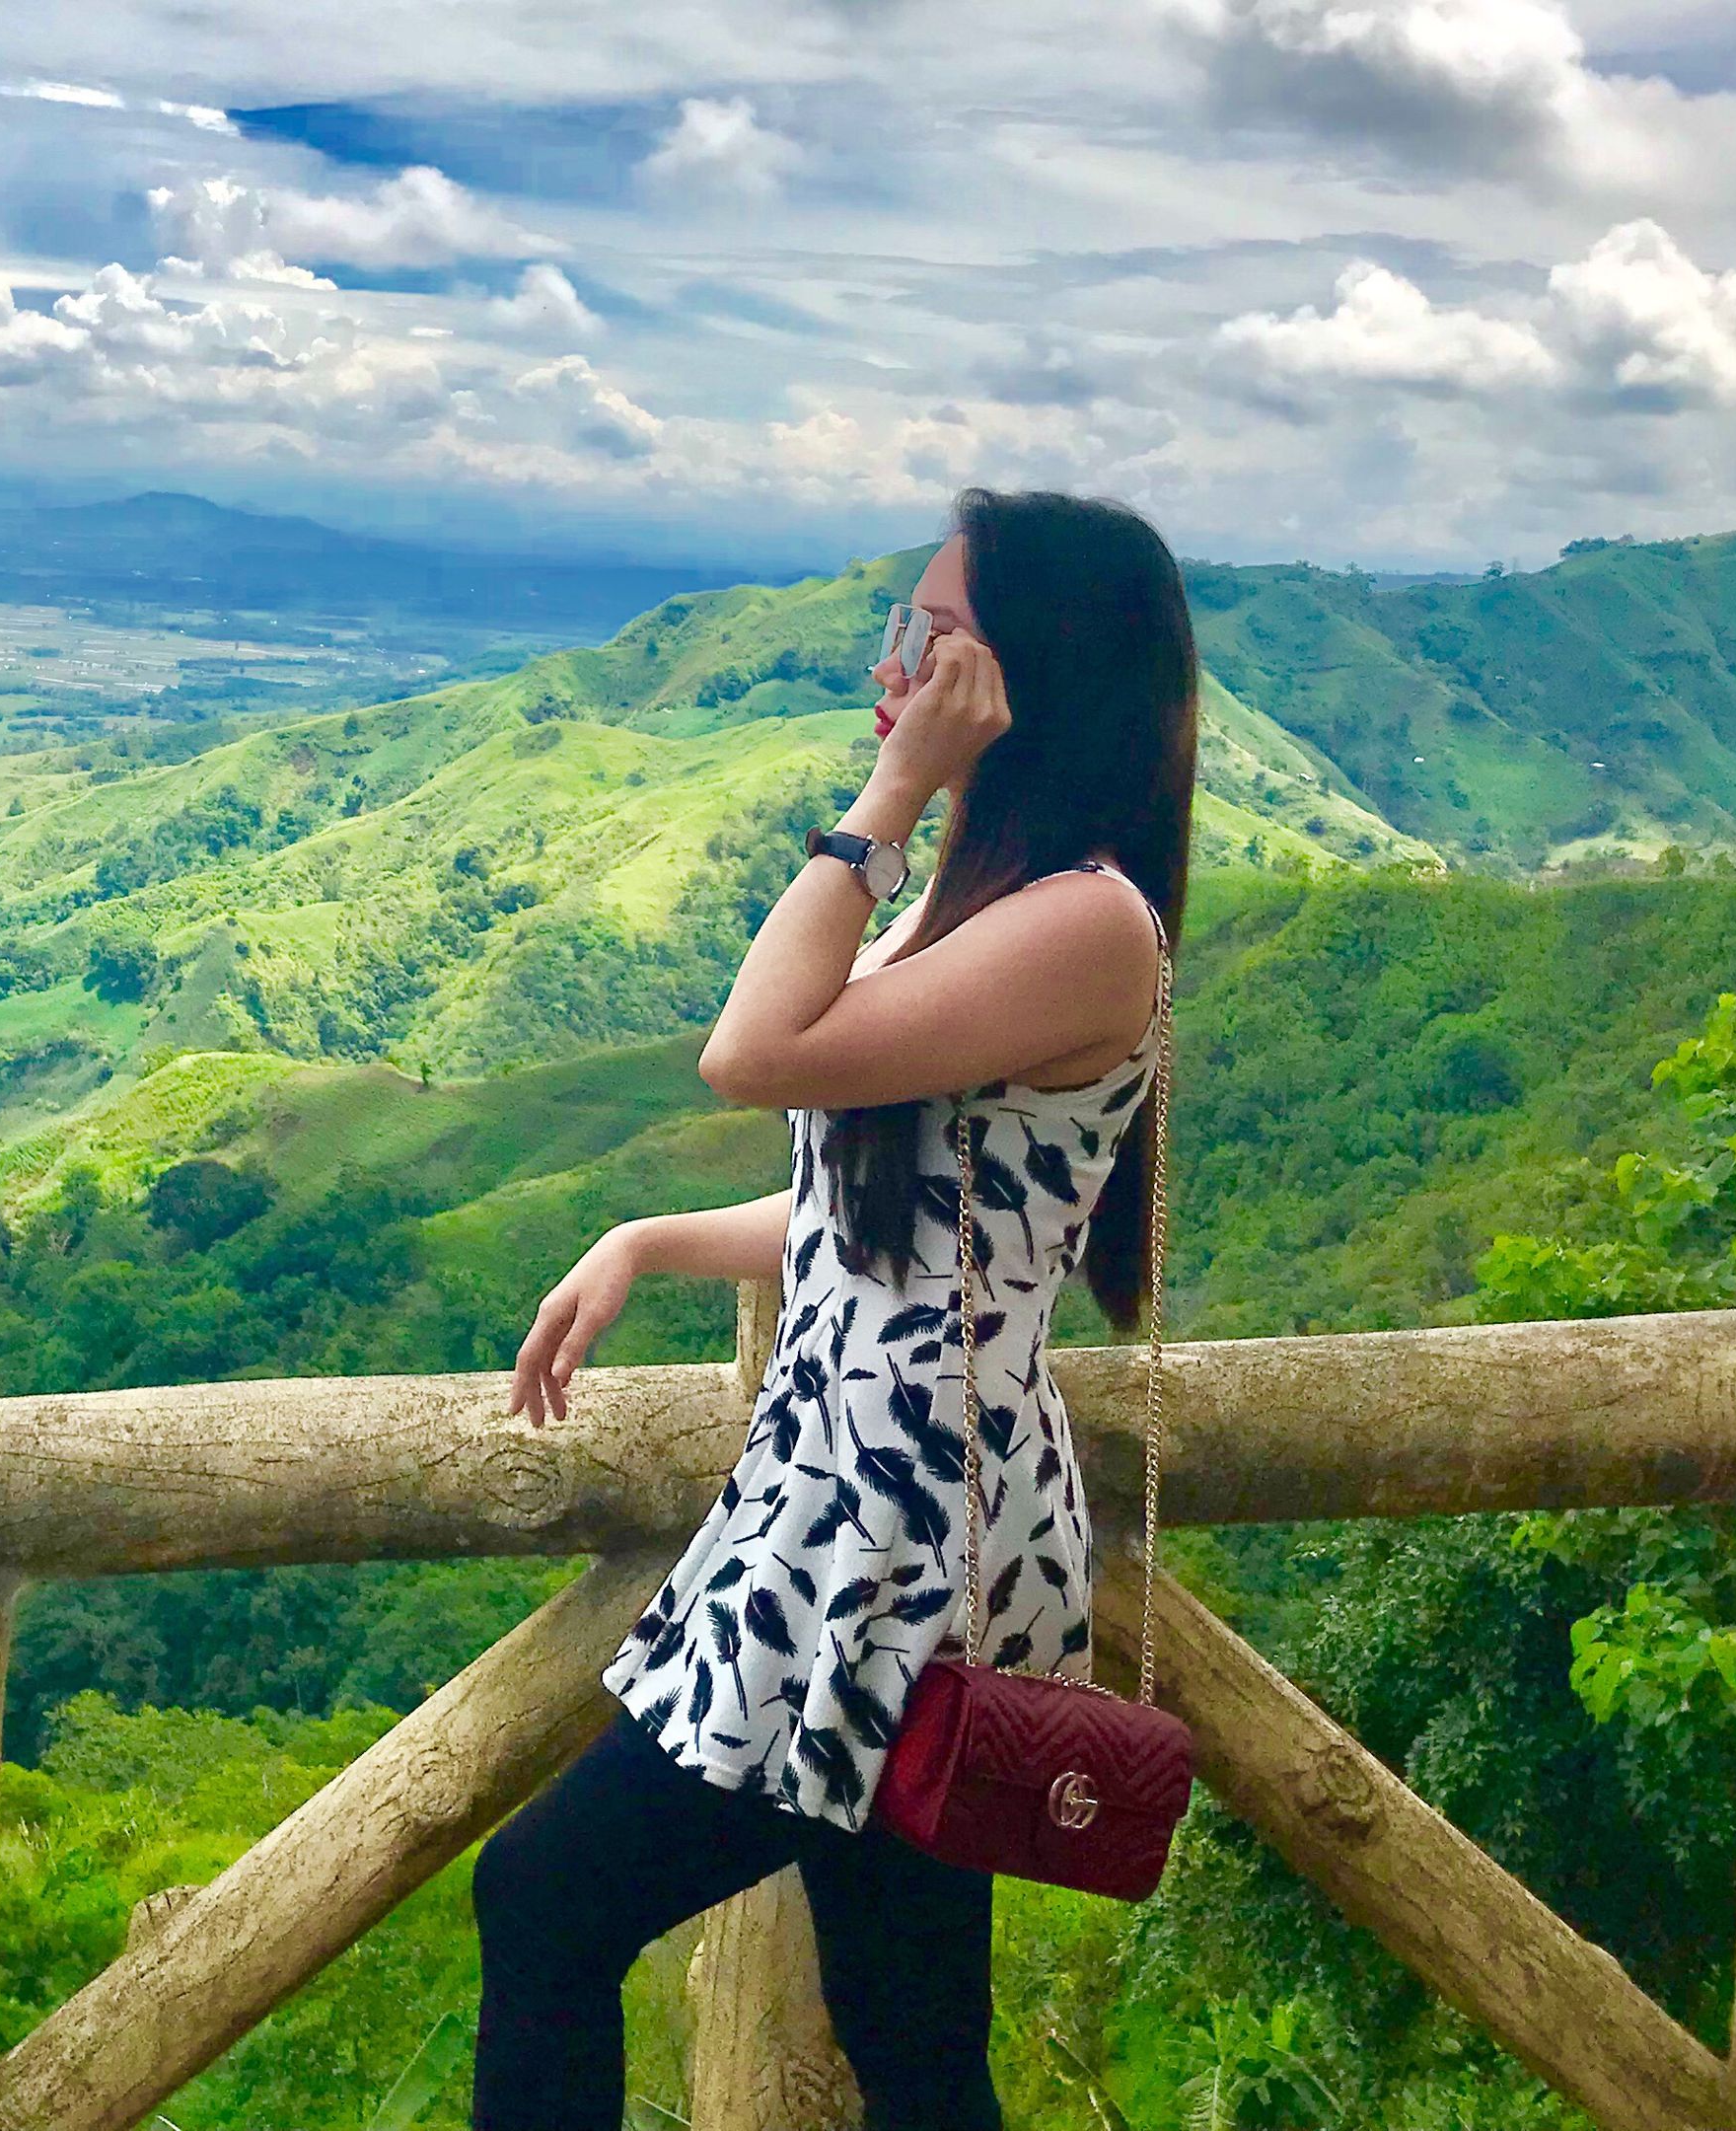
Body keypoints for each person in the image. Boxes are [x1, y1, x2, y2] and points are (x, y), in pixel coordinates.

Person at [474, 489, 1201, 2129]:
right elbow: (877, 1215)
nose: (898, 663)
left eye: (934, 636)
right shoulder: (997, 904)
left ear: (1035, 675)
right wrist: (650, 1237)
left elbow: (753, 1055)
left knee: (546, 1904)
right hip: (867, 1503)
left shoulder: (1083, 922)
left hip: (888, 1535)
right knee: (914, 2027)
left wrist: (884, 800)